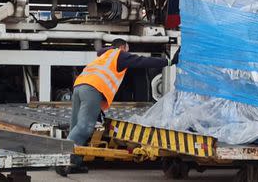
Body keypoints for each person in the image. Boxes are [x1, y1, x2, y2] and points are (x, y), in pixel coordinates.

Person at [56, 39, 173, 176]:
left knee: (75, 125)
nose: (128, 54)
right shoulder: (119, 54)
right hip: (93, 88)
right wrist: (168, 62)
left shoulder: (105, 55)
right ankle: (61, 160)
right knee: (84, 127)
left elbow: (101, 56)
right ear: (123, 47)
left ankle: (74, 163)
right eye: (128, 50)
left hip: (79, 86)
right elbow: (142, 61)